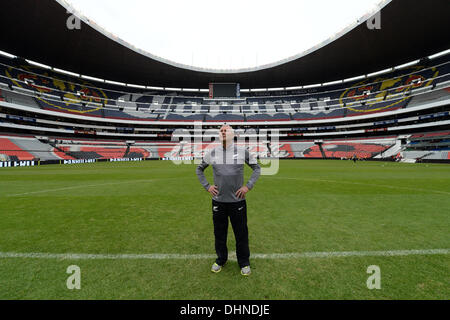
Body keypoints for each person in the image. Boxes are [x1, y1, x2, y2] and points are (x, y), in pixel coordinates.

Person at [196, 124, 261, 276]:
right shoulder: (212, 152)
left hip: (237, 202)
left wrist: (248, 186)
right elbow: (199, 169)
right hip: (218, 202)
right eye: (221, 130)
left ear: (233, 134)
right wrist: (207, 186)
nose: (223, 132)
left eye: (226, 130)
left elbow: (256, 168)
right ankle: (221, 259)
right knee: (219, 233)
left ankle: (244, 262)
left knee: (241, 234)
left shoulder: (242, 151)